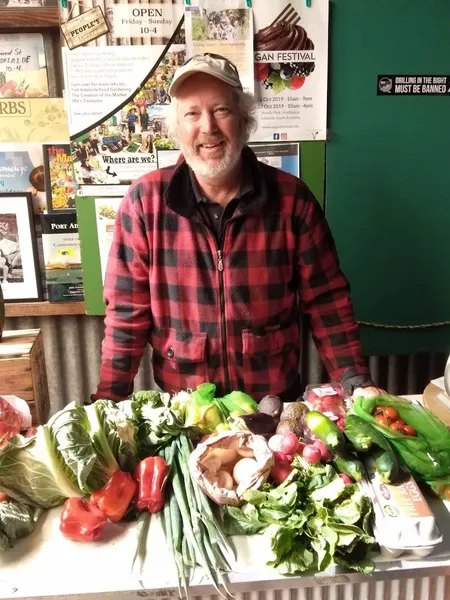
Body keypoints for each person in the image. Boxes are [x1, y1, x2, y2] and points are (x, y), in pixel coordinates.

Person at [94, 53, 383, 403]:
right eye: (192, 114)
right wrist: (108, 401)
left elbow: (326, 301)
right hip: (186, 412)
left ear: (244, 119)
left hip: (275, 407)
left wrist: (355, 381)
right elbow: (126, 314)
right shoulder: (145, 202)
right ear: (177, 129)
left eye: (221, 110)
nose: (208, 127)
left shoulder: (292, 200)